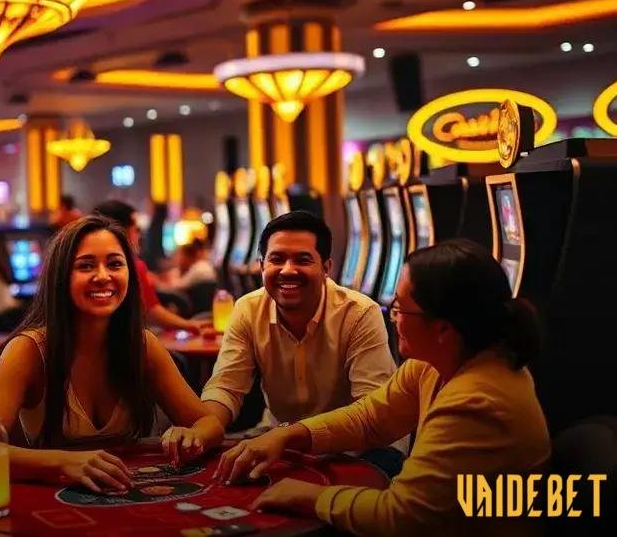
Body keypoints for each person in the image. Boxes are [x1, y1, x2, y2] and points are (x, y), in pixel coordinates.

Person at [215, 239, 550, 536]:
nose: (393, 315)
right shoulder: (435, 363)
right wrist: (289, 434)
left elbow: (400, 517)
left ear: (444, 329)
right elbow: (371, 418)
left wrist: (305, 495)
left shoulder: (477, 401)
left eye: (402, 308)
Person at [0, 216, 224, 491]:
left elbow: (209, 423)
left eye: (115, 264)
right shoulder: (28, 350)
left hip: (125, 492)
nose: (104, 276)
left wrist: (192, 436)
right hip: (55, 500)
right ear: (60, 276)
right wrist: (63, 463)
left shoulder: (142, 345)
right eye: (86, 266)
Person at [202, 212, 402, 453]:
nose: (288, 270)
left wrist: (296, 436)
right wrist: (203, 427)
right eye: (277, 259)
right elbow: (226, 386)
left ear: (326, 268)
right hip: (275, 436)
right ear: (261, 265)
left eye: (302, 260)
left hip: (353, 446)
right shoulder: (247, 309)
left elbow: (371, 409)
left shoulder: (359, 313)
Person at [93, 200, 210, 335]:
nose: (102, 276)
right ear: (120, 230)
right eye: (86, 266)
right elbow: (151, 310)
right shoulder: (133, 265)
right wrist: (188, 325)